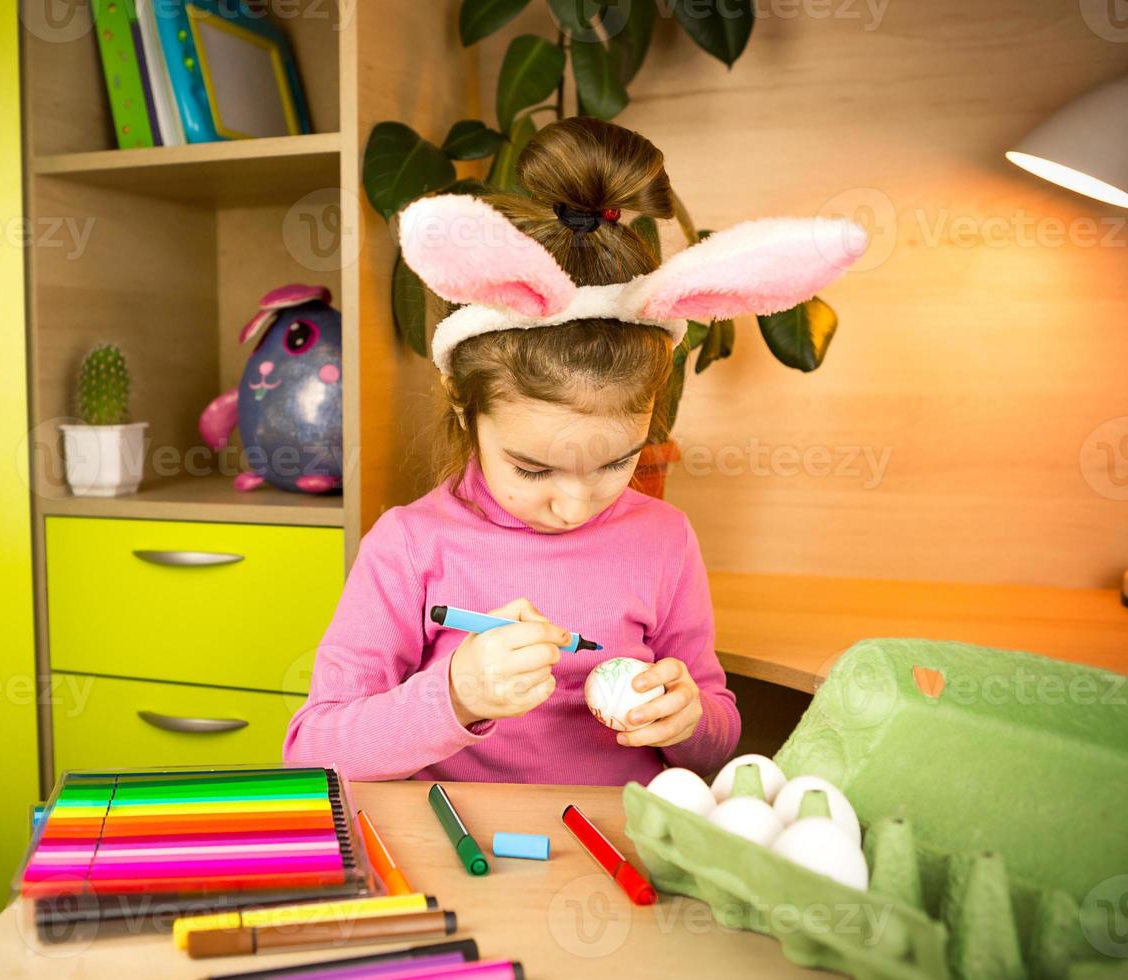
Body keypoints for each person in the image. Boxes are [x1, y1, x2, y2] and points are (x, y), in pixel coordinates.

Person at [282, 116, 866, 785]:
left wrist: (688, 719)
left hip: (619, 854)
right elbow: (312, 750)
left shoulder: (665, 540)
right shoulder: (410, 546)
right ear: (462, 406)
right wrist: (455, 695)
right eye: (532, 468)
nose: (574, 502)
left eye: (618, 462)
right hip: (460, 852)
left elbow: (717, 741)